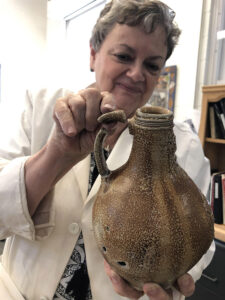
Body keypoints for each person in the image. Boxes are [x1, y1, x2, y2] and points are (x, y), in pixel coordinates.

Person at [0, 0, 215, 299]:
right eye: (124, 56)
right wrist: (56, 154)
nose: (137, 74)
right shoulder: (42, 106)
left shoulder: (185, 147)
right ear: (93, 53)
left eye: (152, 65)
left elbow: (200, 237)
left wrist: (174, 276)